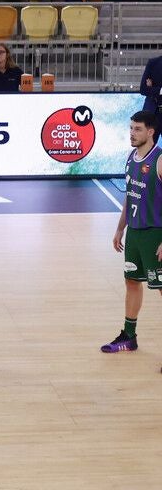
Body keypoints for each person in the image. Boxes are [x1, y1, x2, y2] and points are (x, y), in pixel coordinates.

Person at [105, 111, 162, 359]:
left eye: (137, 129)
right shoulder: (131, 157)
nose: (132, 133)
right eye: (130, 128)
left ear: (151, 132)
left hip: (155, 234)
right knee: (131, 282)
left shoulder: (159, 159)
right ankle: (129, 336)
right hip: (135, 234)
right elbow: (130, 195)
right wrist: (120, 228)